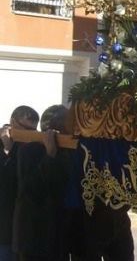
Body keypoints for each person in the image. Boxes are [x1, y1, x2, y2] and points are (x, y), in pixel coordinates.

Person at [12, 105, 74, 260]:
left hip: (57, 239)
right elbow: (32, 191)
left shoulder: (67, 153)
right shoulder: (29, 151)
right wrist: (49, 156)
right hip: (34, 239)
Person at [0, 106, 39, 261]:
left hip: (21, 231)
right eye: (25, 129)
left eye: (33, 131)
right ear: (12, 122)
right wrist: (7, 152)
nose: (29, 135)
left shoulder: (30, 148)